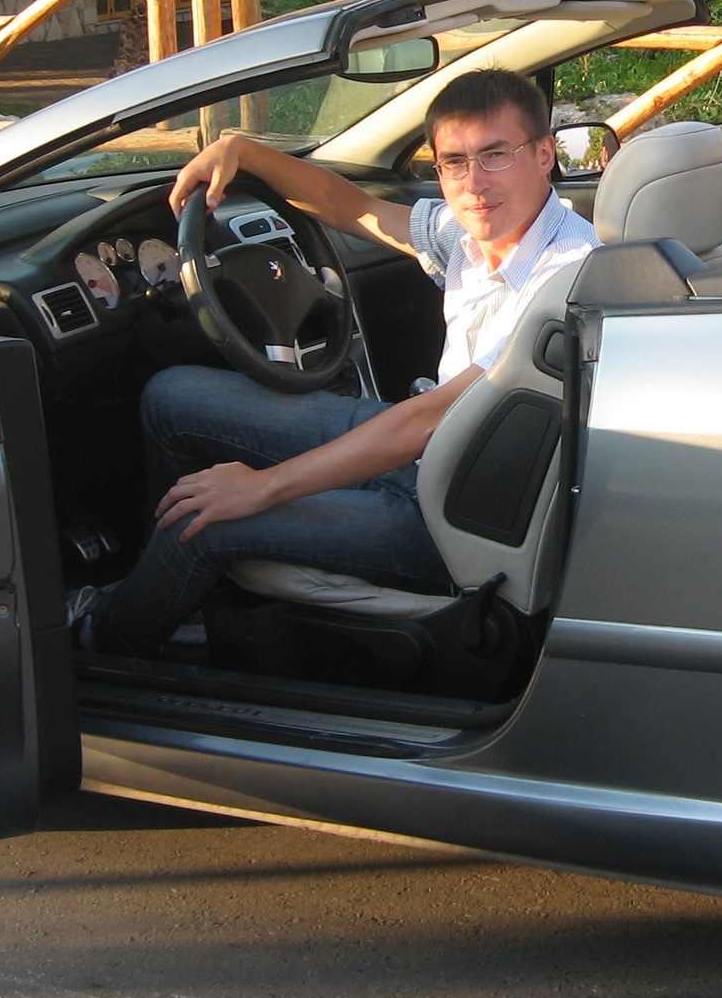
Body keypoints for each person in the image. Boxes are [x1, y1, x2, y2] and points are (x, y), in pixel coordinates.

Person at [73, 67, 595, 657]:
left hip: (461, 518)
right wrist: (242, 151)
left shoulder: (566, 277)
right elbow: (352, 206)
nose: (474, 183)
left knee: (204, 521)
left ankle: (99, 646)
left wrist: (263, 488)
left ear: (544, 154)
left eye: (495, 155)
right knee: (172, 397)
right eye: (454, 162)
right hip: (431, 456)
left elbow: (431, 420)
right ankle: (167, 590)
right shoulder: (473, 233)